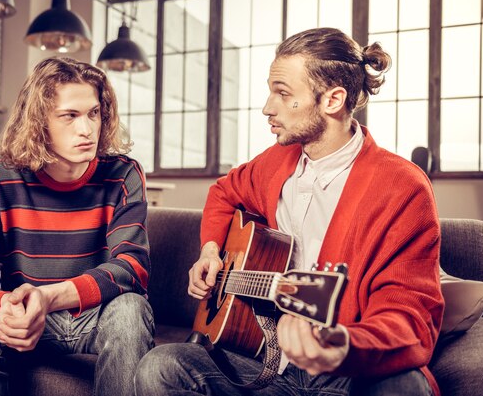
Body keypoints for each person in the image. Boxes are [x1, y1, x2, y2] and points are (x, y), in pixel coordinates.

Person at [135, 27, 444, 396]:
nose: (267, 107)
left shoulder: (402, 187)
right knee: (160, 367)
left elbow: (411, 320)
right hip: (267, 363)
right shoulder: (276, 161)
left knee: (405, 388)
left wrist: (342, 344)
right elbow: (223, 193)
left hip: (345, 372)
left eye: (282, 93)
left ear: (333, 99)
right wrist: (210, 250)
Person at [0, 57, 153, 396]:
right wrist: (2, 307)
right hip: (25, 318)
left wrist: (47, 298)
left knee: (131, 310)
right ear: (39, 122)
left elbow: (132, 268)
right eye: (70, 115)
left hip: (96, 315)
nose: (87, 129)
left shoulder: (123, 174)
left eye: (93, 113)